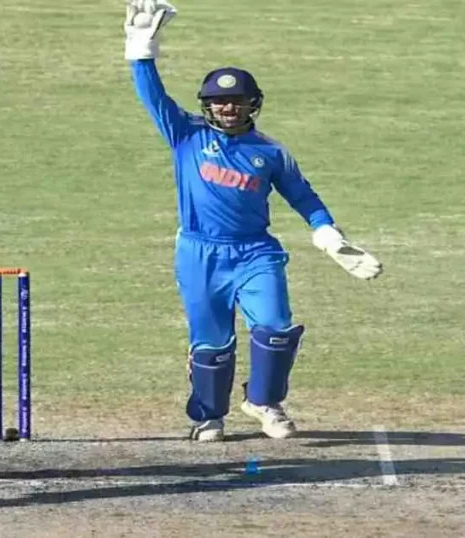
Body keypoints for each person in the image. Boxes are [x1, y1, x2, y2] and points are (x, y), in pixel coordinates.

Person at [123, 1, 383, 442]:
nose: (228, 108)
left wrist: (326, 232)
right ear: (207, 105)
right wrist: (141, 49)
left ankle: (265, 401)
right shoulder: (186, 135)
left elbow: (301, 194)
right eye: (219, 101)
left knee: (276, 328)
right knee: (211, 342)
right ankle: (208, 415)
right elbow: (152, 96)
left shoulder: (271, 152)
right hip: (199, 251)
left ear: (252, 105)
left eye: (237, 101)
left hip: (255, 252)